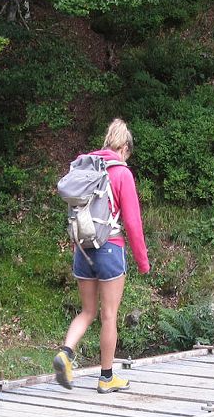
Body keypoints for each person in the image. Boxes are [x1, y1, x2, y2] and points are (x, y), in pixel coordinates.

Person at [53, 118, 150, 393]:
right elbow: (132, 223)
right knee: (109, 315)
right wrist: (143, 262)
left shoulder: (87, 167)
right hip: (110, 248)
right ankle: (107, 378)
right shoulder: (121, 173)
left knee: (87, 311)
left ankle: (66, 353)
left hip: (83, 248)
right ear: (124, 149)